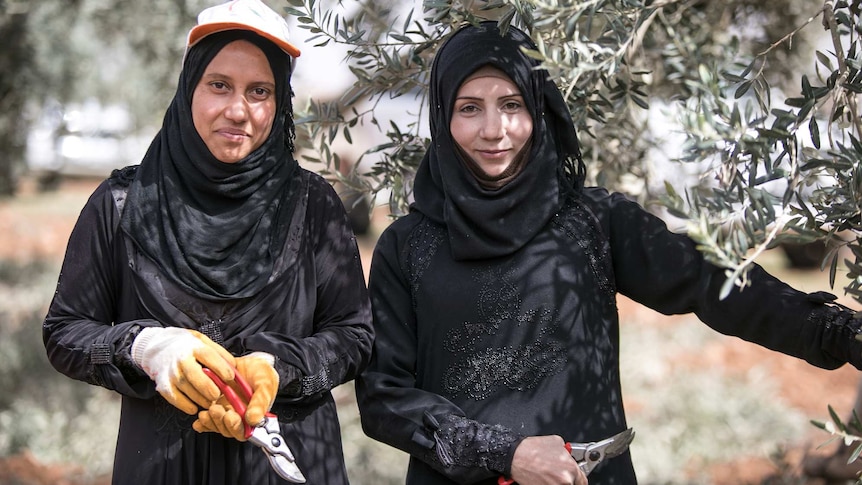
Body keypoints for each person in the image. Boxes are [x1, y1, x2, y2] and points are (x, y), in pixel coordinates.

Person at [354, 20, 862, 485]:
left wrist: (837, 332)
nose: (494, 129)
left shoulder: (593, 222)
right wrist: (505, 452)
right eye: (470, 108)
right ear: (443, 116)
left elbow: (711, 285)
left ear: (538, 107)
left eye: (512, 104)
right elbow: (384, 398)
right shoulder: (407, 246)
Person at [42, 1, 373, 484]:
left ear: (280, 102)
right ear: (189, 88)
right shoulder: (121, 204)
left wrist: (280, 368)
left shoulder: (313, 204)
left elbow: (354, 336)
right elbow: (65, 332)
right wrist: (144, 348)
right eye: (219, 85)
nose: (238, 110)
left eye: (260, 91)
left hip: (290, 467)